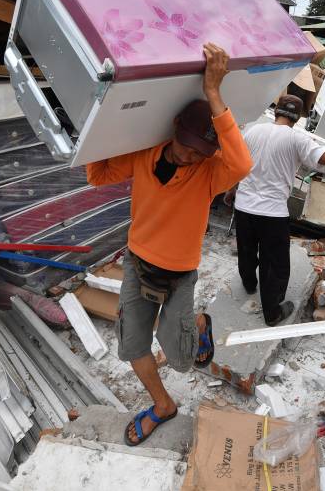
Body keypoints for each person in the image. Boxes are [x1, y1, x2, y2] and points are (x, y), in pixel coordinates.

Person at [86, 43, 252, 447]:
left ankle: (199, 323)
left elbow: (243, 164)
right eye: (187, 145)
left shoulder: (210, 174)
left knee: (181, 360)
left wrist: (214, 93)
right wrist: (99, 124)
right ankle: (163, 406)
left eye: (201, 152)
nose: (191, 156)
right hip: (137, 265)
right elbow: (99, 173)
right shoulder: (145, 155)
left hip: (180, 276)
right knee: (131, 346)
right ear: (175, 127)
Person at [230, 95, 325, 326]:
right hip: (272, 213)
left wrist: (232, 190)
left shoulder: (252, 131)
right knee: (275, 265)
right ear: (300, 117)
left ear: (277, 110)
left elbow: (238, 165)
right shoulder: (296, 139)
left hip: (244, 207)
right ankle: (272, 313)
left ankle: (249, 283)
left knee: (247, 251)